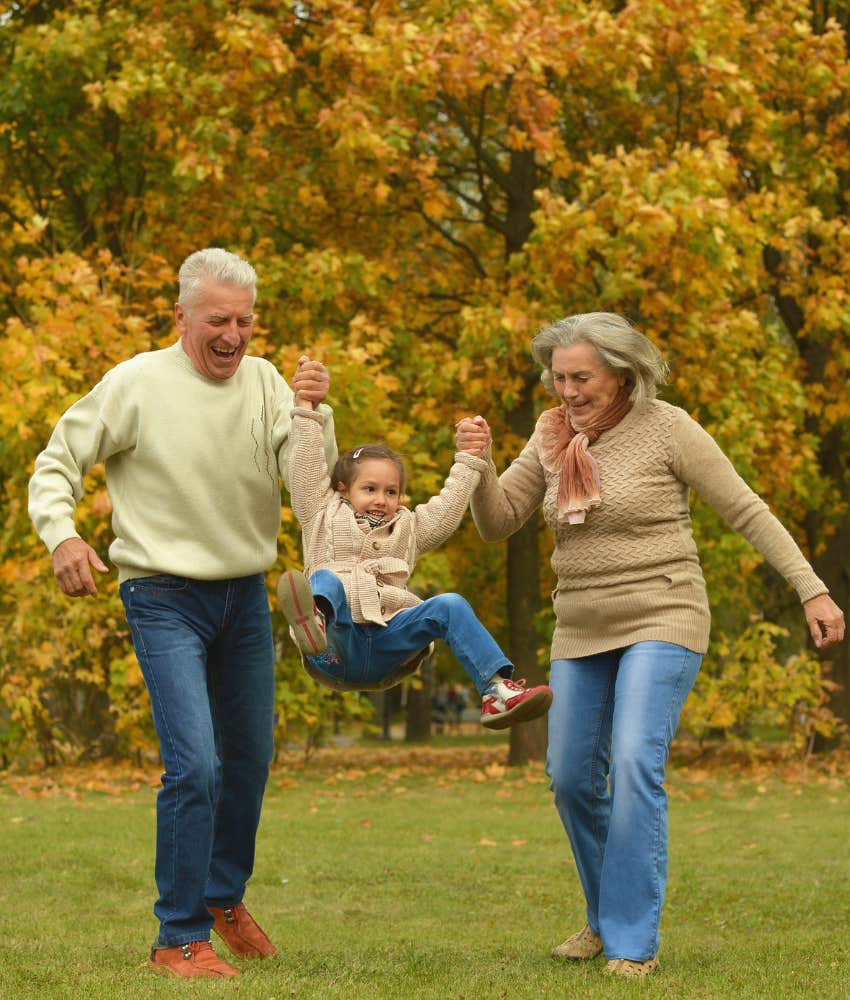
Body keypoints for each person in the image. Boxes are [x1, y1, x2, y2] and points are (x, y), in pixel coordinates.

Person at [455, 312, 845, 979]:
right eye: (559, 378)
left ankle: (632, 941)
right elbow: (497, 524)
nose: (569, 391)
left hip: (665, 611)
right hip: (581, 623)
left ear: (622, 372)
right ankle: (603, 917)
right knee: (571, 776)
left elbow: (746, 509)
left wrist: (812, 589)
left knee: (635, 761)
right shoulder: (550, 436)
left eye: (583, 377)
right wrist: (479, 466)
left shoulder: (669, 428)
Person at [28, 248, 338, 980]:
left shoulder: (264, 382)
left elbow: (309, 478)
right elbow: (57, 461)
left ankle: (223, 897)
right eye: (217, 321)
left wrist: (312, 411)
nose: (233, 335)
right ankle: (178, 937)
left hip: (244, 595)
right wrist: (62, 534)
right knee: (194, 764)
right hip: (162, 595)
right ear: (181, 318)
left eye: (244, 322)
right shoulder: (136, 382)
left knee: (251, 760)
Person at [276, 388, 553, 728]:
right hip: (336, 648)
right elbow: (305, 467)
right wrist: (305, 407)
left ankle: (496, 690)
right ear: (343, 489)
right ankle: (315, 622)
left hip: (388, 647)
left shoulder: (408, 528)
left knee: (450, 603)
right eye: (370, 489)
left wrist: (469, 458)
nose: (381, 499)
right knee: (325, 580)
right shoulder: (320, 513)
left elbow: (449, 506)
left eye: (391, 491)